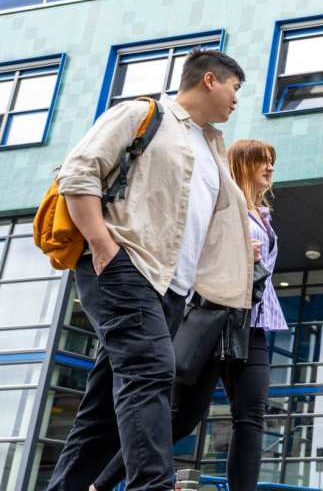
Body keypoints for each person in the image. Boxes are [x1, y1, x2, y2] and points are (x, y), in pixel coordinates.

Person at [47, 50, 253, 491]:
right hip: (126, 265)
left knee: (104, 412)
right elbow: (78, 173)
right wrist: (103, 244)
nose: (237, 99)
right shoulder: (143, 114)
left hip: (172, 287)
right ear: (210, 80)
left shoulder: (211, 146)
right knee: (152, 371)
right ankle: (153, 485)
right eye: (235, 88)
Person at [89, 139, 287, 491]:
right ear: (242, 165)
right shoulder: (220, 206)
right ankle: (100, 485)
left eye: (272, 161)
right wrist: (236, 251)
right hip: (214, 317)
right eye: (263, 161)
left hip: (252, 323)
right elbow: (193, 252)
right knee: (181, 419)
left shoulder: (263, 216)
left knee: (251, 416)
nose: (270, 167)